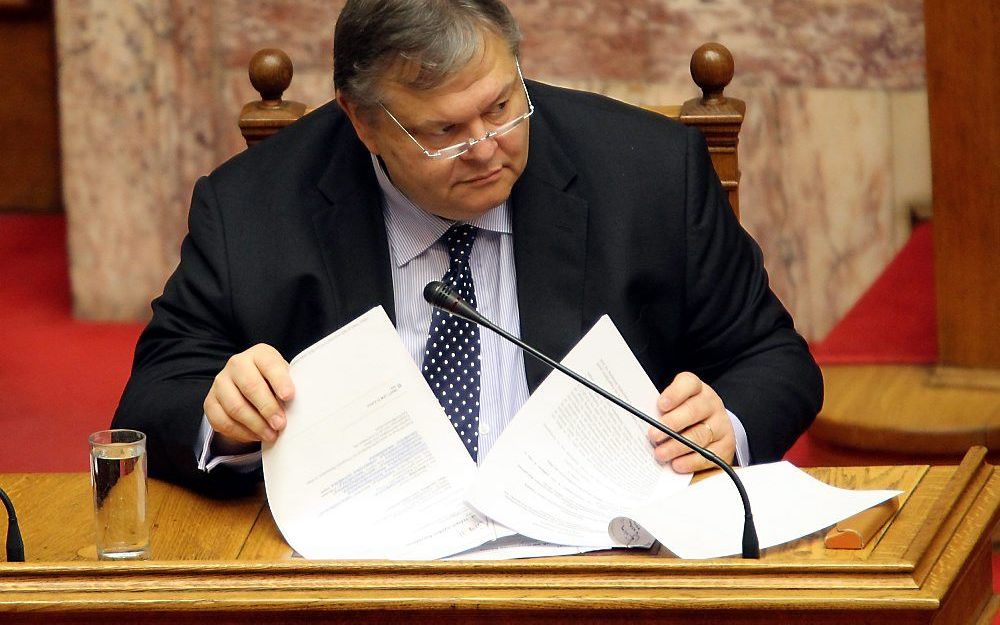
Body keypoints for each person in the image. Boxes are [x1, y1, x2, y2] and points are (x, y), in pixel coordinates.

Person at [112, 0, 822, 495]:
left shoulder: (649, 174)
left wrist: (724, 423)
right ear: (362, 122)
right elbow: (155, 392)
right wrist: (222, 412)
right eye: (445, 132)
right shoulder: (253, 206)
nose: (487, 149)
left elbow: (774, 359)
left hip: (595, 556)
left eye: (502, 106)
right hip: (357, 571)